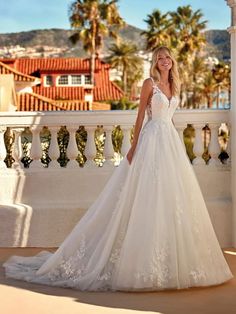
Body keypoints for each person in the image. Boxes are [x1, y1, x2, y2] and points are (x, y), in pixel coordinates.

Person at [3, 46, 233, 291]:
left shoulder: (174, 85)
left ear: (172, 61)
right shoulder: (149, 84)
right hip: (151, 139)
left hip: (169, 142)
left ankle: (169, 260)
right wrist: (134, 146)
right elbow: (140, 117)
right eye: (160, 58)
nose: (164, 61)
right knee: (143, 196)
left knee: (171, 199)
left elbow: (170, 117)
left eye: (167, 58)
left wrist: (176, 143)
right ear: (155, 63)